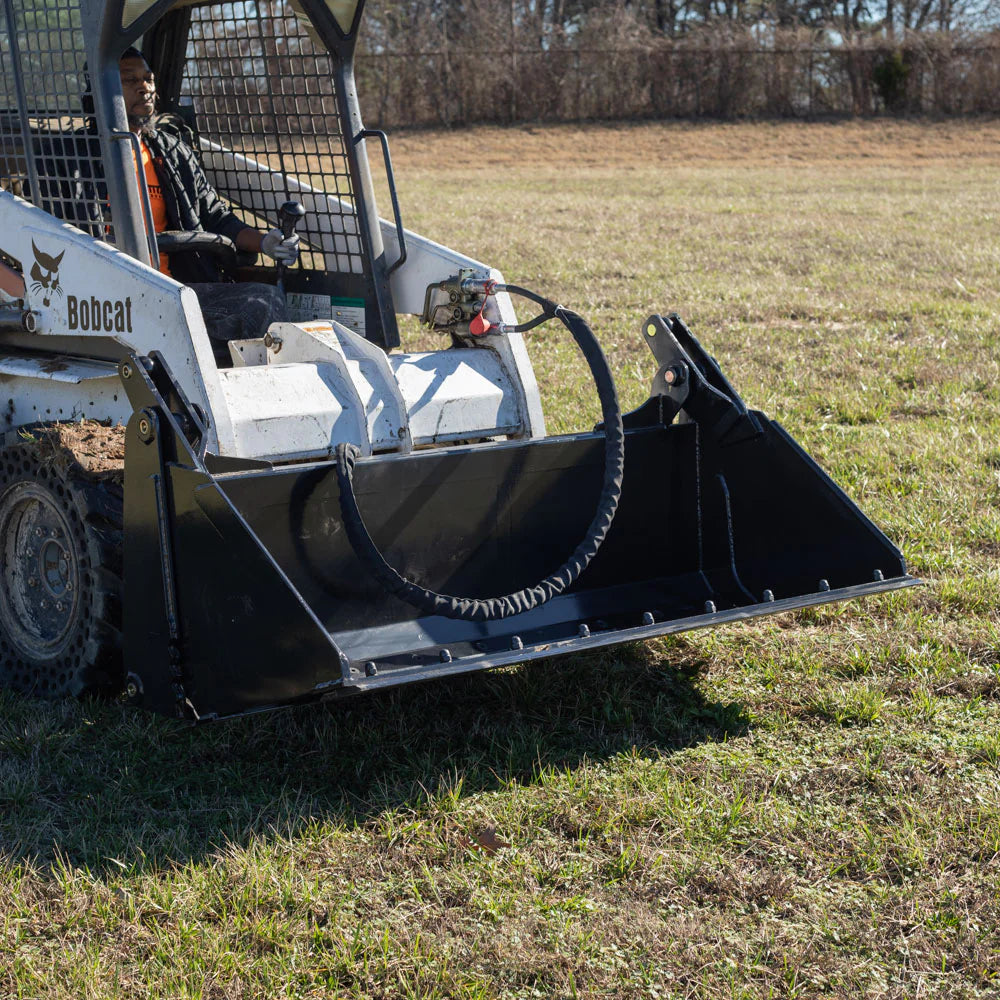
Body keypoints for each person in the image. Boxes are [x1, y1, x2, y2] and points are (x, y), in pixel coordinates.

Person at [39, 48, 300, 362]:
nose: (145, 87)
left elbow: (214, 216)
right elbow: (46, 237)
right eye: (129, 80)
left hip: (173, 292)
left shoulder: (171, 152)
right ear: (98, 90)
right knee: (259, 304)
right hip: (104, 303)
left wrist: (266, 243)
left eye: (148, 79)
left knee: (269, 303)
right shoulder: (66, 159)